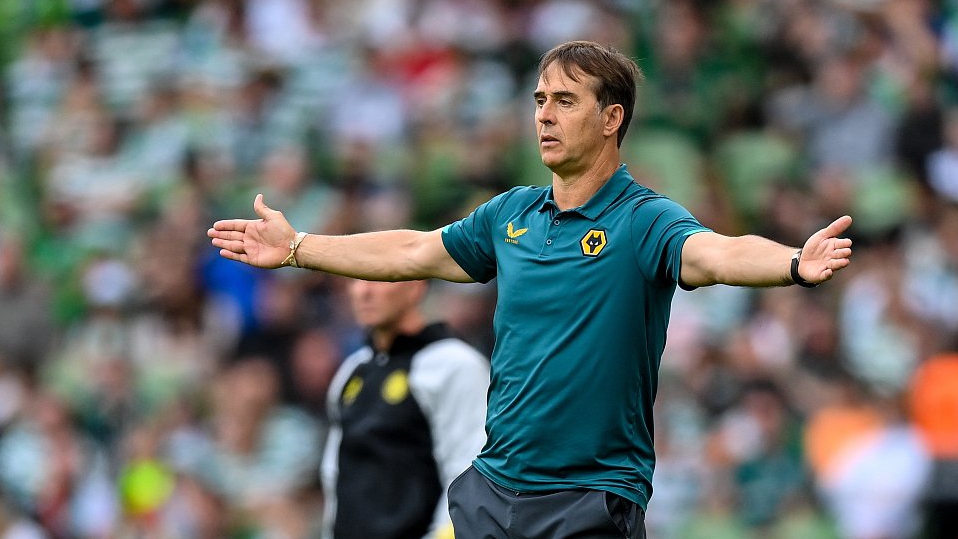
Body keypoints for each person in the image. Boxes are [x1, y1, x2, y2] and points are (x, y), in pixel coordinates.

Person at [208, 40, 853, 539]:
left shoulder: (642, 220)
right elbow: (414, 249)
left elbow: (716, 253)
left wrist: (795, 262)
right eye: (540, 100)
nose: (544, 115)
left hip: (588, 497)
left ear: (612, 118)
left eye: (565, 102)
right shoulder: (511, 214)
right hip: (493, 491)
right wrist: (298, 249)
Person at [321, 279, 489, 539]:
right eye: (355, 277)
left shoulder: (455, 366)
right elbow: (334, 478)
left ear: (415, 285)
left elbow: (469, 476)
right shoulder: (352, 370)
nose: (363, 291)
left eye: (377, 278)